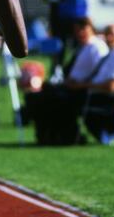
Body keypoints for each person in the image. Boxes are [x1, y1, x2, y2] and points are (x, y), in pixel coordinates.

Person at [26, 17, 108, 145]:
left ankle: (59, 135)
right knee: (35, 96)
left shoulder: (97, 48)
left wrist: (79, 84)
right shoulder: (82, 47)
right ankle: (48, 135)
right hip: (70, 86)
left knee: (46, 99)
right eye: (77, 30)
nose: (80, 33)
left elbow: (100, 72)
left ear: (91, 29)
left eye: (83, 29)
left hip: (81, 90)